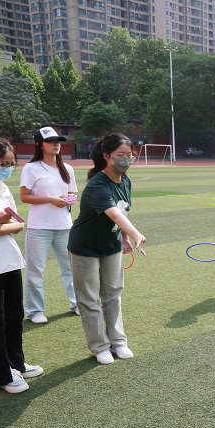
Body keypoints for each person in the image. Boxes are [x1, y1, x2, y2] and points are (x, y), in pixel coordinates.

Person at [68, 133, 146, 365]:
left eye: (129, 154)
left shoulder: (126, 181)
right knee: (89, 298)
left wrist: (124, 237)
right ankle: (100, 346)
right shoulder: (97, 185)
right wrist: (136, 234)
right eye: (120, 155)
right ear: (106, 156)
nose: (126, 159)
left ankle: (118, 342)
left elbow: (123, 211)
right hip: (85, 246)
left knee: (113, 294)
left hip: (110, 244)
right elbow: (114, 214)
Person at [0, 136, 44, 393]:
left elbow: (8, 219)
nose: (7, 168)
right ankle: (0, 374)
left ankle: (16, 364)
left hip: (8, 260)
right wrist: (13, 224)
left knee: (13, 316)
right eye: (3, 163)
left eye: (11, 164)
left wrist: (9, 223)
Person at [20, 126, 79, 324]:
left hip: (65, 226)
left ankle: (77, 304)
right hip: (39, 227)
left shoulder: (67, 168)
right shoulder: (31, 168)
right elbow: (25, 197)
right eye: (51, 141)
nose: (56, 144)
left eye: (58, 141)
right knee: (35, 272)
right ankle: (35, 311)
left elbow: (72, 193)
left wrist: (69, 199)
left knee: (71, 268)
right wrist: (51, 199)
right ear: (39, 144)